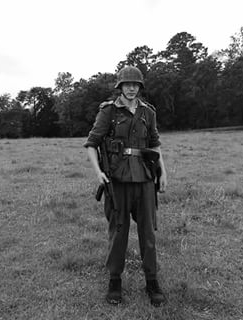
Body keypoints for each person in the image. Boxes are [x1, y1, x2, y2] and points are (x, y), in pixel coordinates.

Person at [83, 66, 168, 306]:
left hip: (144, 180)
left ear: (140, 87)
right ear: (119, 87)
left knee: (148, 233)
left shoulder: (148, 112)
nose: (131, 88)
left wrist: (163, 172)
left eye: (135, 84)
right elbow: (92, 144)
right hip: (117, 181)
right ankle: (114, 282)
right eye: (127, 84)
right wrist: (98, 172)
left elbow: (155, 143)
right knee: (118, 233)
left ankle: (152, 282)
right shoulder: (108, 111)